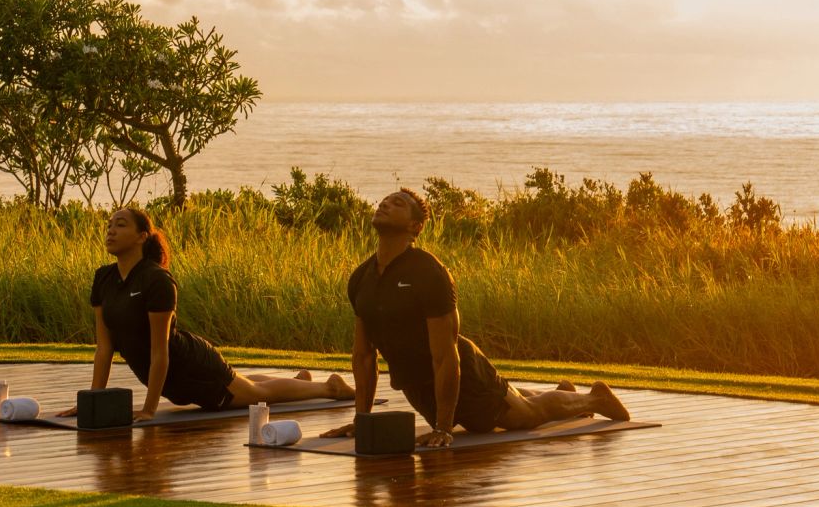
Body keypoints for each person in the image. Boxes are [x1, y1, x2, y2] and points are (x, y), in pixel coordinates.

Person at [320, 187, 630, 448]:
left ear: (416, 227)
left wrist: (443, 428)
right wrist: (362, 422)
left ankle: (595, 399)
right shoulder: (361, 278)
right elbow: (363, 356)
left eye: (398, 203)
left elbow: (446, 357)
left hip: (462, 372)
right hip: (417, 385)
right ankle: (562, 393)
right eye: (384, 201)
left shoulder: (429, 273)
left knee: (524, 416)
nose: (385, 204)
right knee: (508, 404)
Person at [61, 205, 353, 422]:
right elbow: (105, 347)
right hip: (171, 382)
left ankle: (329, 388)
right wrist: (92, 402)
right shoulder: (104, 278)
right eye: (109, 224)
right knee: (242, 384)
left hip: (192, 367)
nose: (110, 230)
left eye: (120, 225)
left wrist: (149, 410)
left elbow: (159, 351)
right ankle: (299, 383)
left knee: (258, 396)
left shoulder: (156, 280)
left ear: (141, 237)